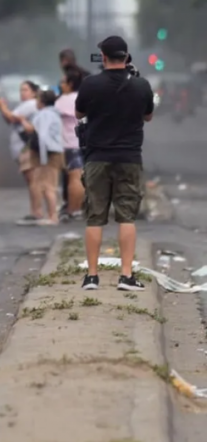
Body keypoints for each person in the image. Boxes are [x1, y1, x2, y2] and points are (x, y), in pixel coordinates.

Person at [75, 36, 154, 291]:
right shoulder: (141, 85)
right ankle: (126, 275)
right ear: (127, 56)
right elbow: (148, 115)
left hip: (97, 157)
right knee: (127, 217)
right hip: (129, 158)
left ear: (103, 56)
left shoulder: (91, 84)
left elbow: (79, 114)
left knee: (95, 217)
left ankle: (92, 277)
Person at [0, 81, 41, 224]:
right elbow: (10, 120)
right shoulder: (24, 105)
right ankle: (35, 211)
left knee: (33, 181)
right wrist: (2, 109)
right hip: (22, 149)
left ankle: (36, 212)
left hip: (26, 148)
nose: (22, 93)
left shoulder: (30, 104)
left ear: (33, 92)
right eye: (21, 90)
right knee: (31, 180)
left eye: (25, 90)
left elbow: (11, 117)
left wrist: (1, 106)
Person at [18, 90, 65, 225]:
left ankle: (52, 216)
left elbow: (42, 136)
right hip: (50, 153)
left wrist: (43, 157)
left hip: (47, 154)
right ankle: (50, 214)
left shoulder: (45, 115)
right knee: (44, 185)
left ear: (42, 102)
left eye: (37, 100)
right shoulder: (52, 114)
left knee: (48, 186)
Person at [55, 67, 86, 220]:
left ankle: (73, 209)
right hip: (82, 142)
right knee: (79, 176)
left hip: (69, 144)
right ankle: (77, 209)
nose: (60, 85)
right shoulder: (82, 98)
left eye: (63, 82)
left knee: (74, 178)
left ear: (70, 83)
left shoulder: (63, 101)